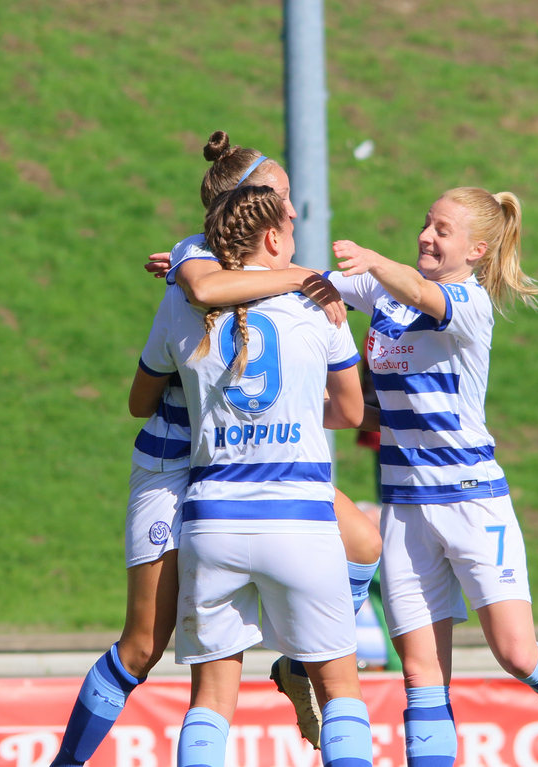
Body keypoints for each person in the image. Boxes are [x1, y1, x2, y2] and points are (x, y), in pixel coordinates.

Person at [48, 133, 378, 767]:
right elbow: (201, 292)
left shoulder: (282, 285)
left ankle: (297, 664)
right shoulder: (195, 259)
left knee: (363, 544)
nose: (292, 212)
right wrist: (308, 281)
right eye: (282, 198)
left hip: (229, 477)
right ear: (247, 208)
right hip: (176, 466)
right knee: (144, 646)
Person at [325, 187, 538, 766]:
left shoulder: (468, 302)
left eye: (443, 230)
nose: (426, 236)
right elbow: (299, 284)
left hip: (473, 502)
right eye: (426, 224)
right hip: (406, 508)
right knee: (421, 676)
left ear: (477, 249)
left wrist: (374, 261)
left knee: (516, 654)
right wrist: (204, 268)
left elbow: (417, 291)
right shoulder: (384, 291)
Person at [133, 184, 373, 767]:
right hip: (300, 519)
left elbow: (142, 397)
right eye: (289, 231)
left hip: (213, 521)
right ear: (272, 238)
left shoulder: (183, 306)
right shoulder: (319, 302)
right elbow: (349, 413)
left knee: (211, 701)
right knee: (340, 693)